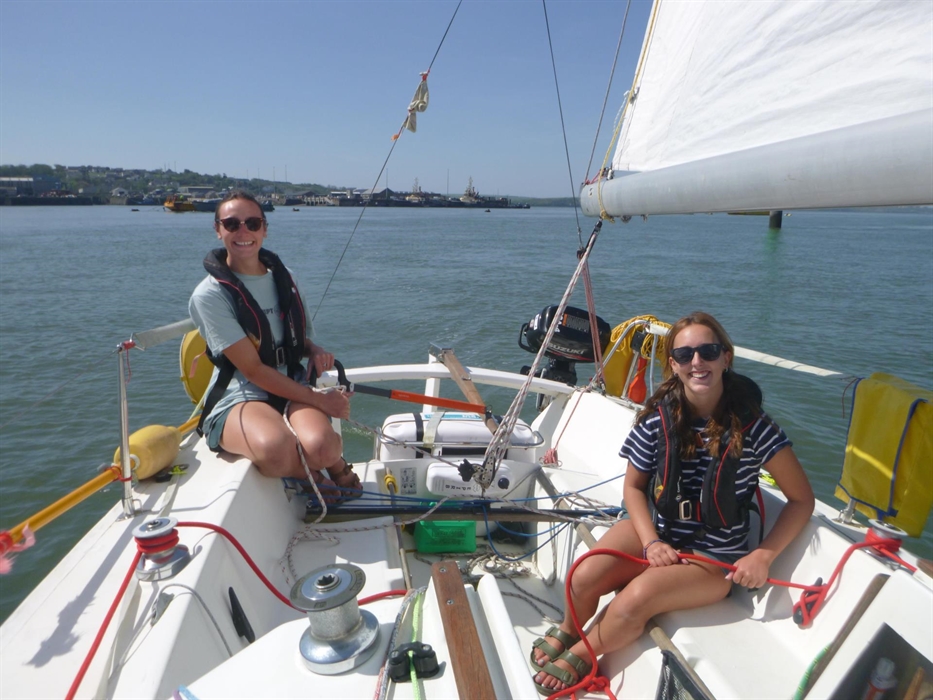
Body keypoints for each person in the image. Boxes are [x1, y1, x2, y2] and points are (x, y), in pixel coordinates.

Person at [531, 311, 814, 693]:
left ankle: (585, 651)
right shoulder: (656, 421)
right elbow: (633, 489)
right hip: (659, 532)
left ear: (725, 357)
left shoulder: (756, 428)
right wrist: (651, 542)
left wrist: (763, 555)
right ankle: (569, 627)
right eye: (684, 355)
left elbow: (800, 499)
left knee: (637, 598)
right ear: (673, 365)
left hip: (712, 560)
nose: (697, 362)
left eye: (708, 351)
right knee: (584, 576)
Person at [188, 191, 360, 500]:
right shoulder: (210, 296)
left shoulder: (285, 278)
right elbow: (252, 369)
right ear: (218, 230)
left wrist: (314, 351)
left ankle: (333, 463)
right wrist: (320, 401)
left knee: (324, 445)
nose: (243, 232)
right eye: (232, 224)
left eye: (253, 223)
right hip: (240, 394)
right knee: (275, 449)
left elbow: (295, 339)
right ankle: (313, 479)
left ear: (264, 229)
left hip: (291, 383)